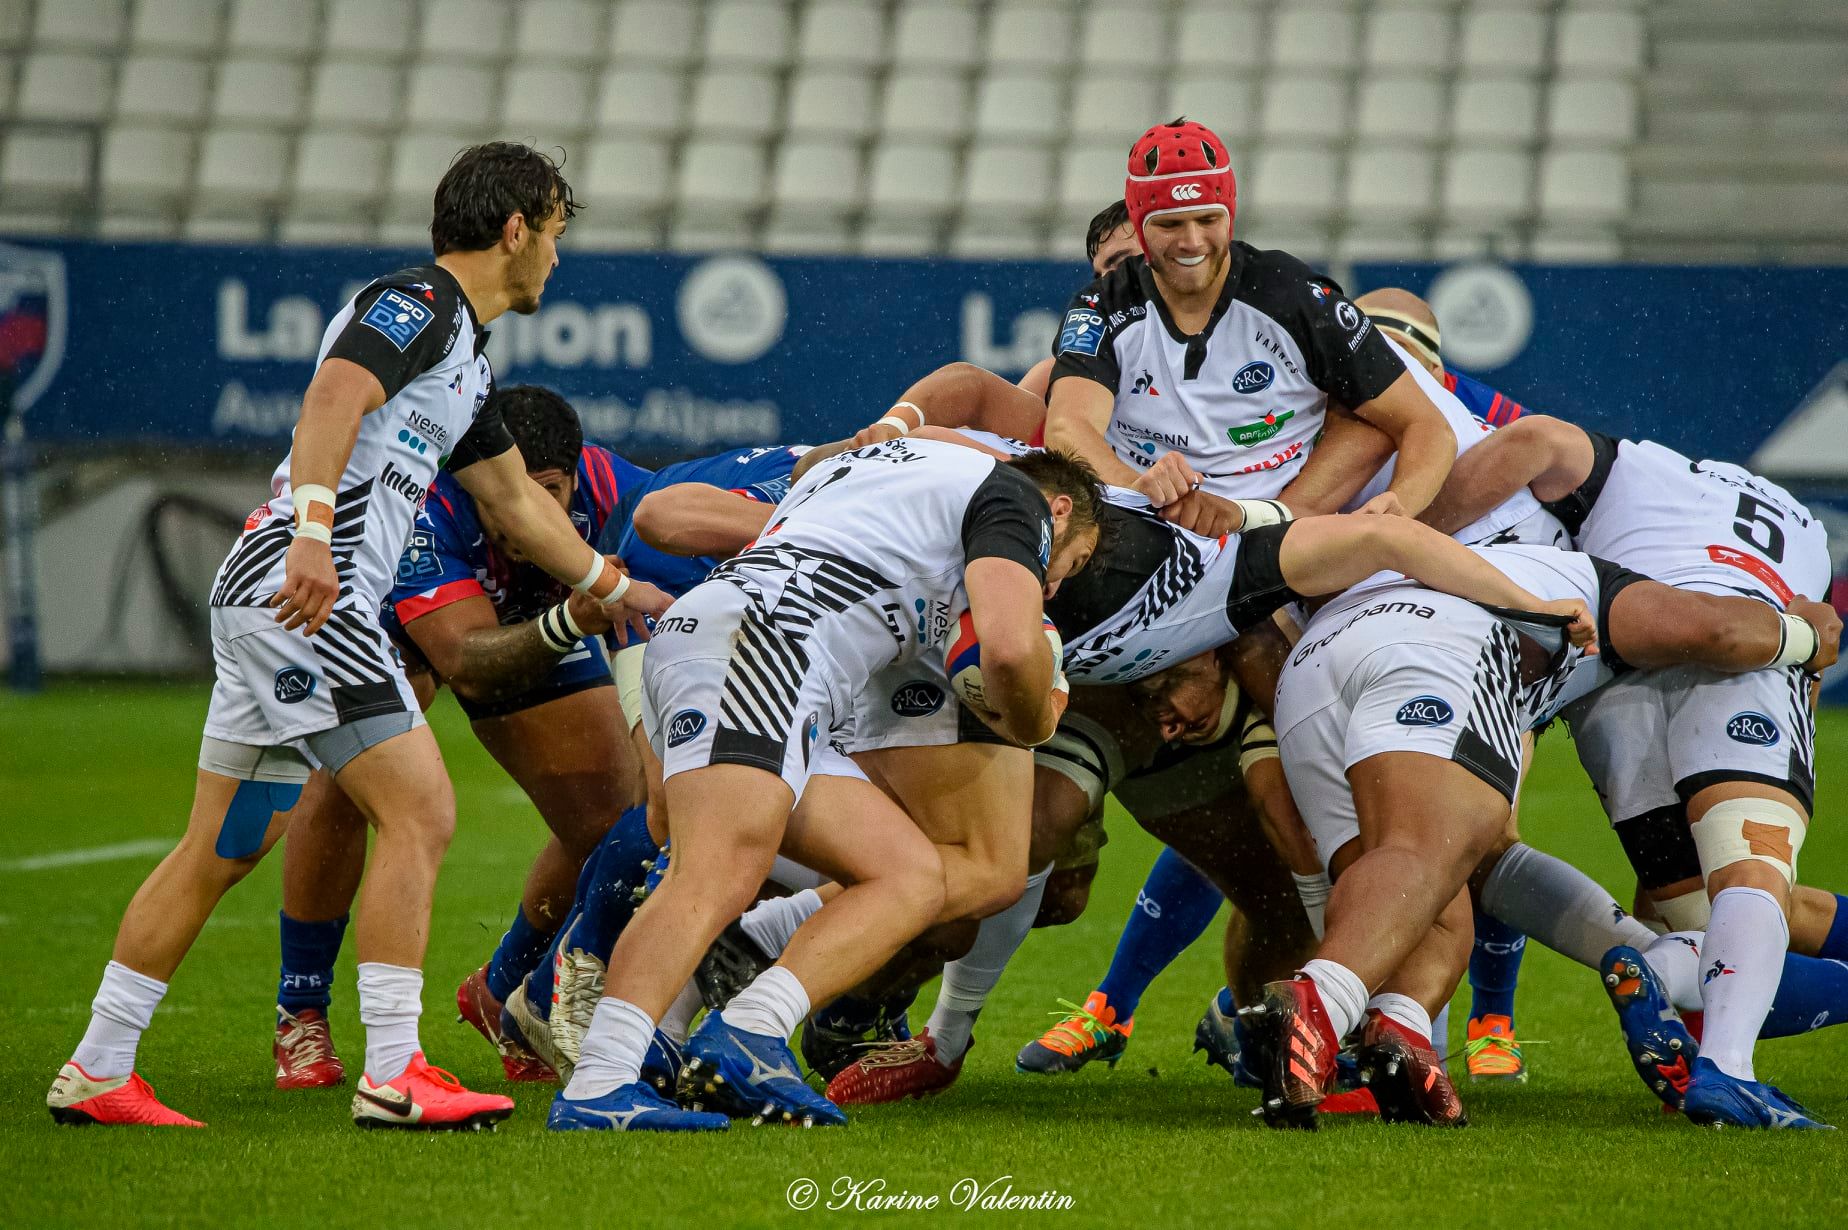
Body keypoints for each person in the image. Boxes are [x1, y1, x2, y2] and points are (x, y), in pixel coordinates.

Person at [46, 142, 668, 1131]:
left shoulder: (464, 359)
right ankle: (395, 1071)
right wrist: (311, 534)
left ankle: (98, 1067)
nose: (556, 255)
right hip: (307, 591)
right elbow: (335, 396)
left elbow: (515, 502)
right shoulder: (418, 303)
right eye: (554, 233)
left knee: (223, 844)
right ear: (515, 230)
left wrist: (618, 586)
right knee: (420, 806)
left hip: (273, 592)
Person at [547, 439, 1104, 1132]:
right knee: (714, 875)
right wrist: (1037, 716)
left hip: (738, 642)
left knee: (911, 876)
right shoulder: (1013, 496)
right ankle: (600, 1083)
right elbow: (1012, 650)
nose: (1054, 584)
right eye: (1071, 562)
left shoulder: (859, 470)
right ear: (1057, 511)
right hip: (763, 650)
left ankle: (751, 1027)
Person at [1246, 540, 1835, 1130]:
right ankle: (1320, 1002)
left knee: (1433, 904)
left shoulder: (1505, 560)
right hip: (1436, 645)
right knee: (1423, 852)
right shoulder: (1602, 586)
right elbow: (1717, 630)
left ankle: (1398, 1031)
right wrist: (1807, 637)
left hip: (1307, 676)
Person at [1428, 418, 1845, 1126]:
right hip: (1746, 652)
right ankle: (1729, 1069)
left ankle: (1653, 964)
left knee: (1697, 919)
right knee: (1752, 872)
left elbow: (1536, 441)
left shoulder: (1637, 467)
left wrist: (1410, 537)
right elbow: (1815, 653)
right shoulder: (1800, 527)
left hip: (1617, 681)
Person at [270, 385, 648, 1088]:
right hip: (387, 614)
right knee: (351, 778)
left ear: (576, 474)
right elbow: (462, 660)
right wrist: (573, 620)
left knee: (613, 819)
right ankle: (302, 1010)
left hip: (531, 615)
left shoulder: (611, 486)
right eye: (511, 495)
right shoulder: (431, 506)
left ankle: (502, 989)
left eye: (550, 493)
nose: (526, 514)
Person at [1044, 119, 1458, 537]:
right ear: (1140, 224)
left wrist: (1399, 505)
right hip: (1144, 524)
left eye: (1208, 219)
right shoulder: (1100, 305)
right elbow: (1067, 427)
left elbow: (1427, 426)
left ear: (1230, 217)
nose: (1192, 242)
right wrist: (1137, 488)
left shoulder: (1295, 297)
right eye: (1170, 224)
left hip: (1269, 536)